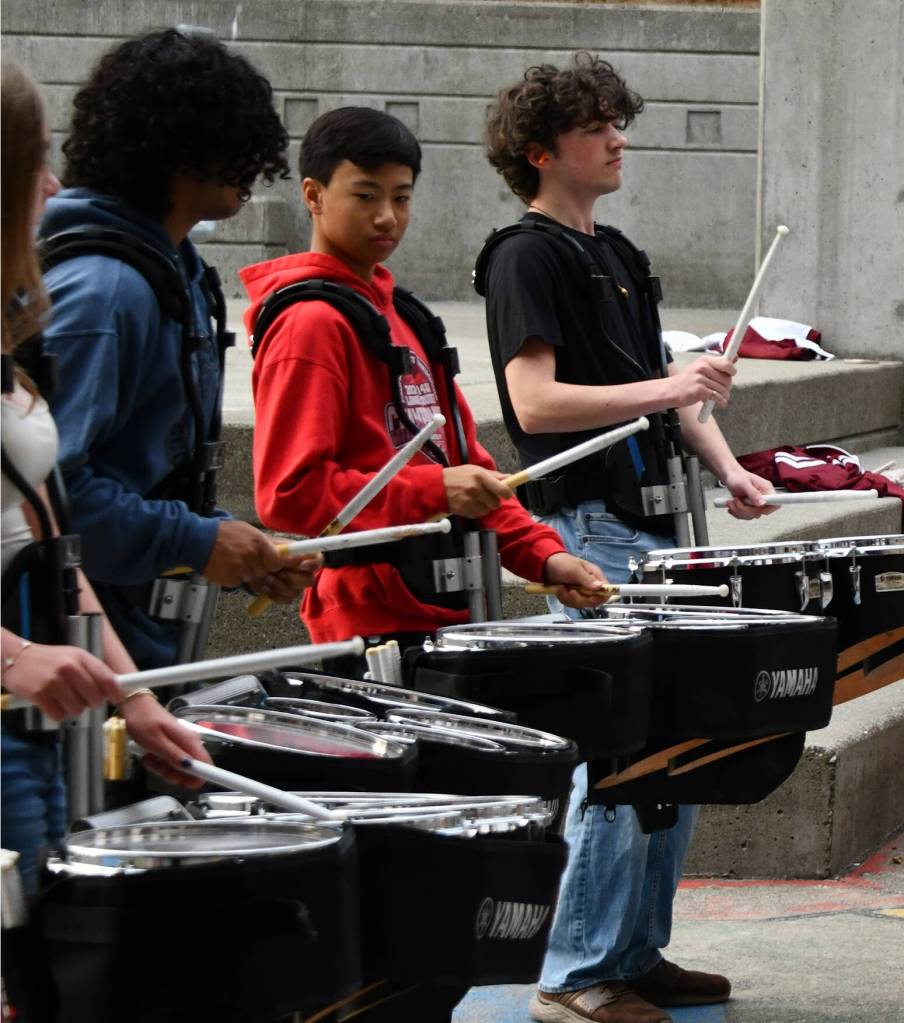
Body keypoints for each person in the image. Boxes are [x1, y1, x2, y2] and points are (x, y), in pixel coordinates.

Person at [479, 55, 777, 1023]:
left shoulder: (619, 255)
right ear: (541, 149)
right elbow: (533, 403)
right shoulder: (524, 255)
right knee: (617, 751)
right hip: (584, 526)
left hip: (649, 523)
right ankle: (572, 973)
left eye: (619, 122)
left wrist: (728, 464)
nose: (619, 140)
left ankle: (634, 949)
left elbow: (668, 395)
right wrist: (670, 388)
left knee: (677, 741)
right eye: (598, 126)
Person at [244, 105, 609, 659]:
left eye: (402, 196)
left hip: (454, 605)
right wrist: (435, 492)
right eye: (365, 196)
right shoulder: (309, 325)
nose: (387, 216)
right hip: (370, 624)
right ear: (314, 196)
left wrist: (543, 555)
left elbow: (468, 466)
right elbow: (290, 496)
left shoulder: (405, 315)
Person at [37, 28, 317, 671]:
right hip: (81, 662)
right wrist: (194, 538)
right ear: (181, 145)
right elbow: (48, 500)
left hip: (137, 645)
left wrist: (229, 545)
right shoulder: (103, 294)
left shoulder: (170, 270)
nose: (255, 162)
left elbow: (141, 475)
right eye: (235, 139)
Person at [1, 58, 210, 897]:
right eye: (32, 163)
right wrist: (14, 655)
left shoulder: (12, 342)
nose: (53, 186)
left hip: (34, 737)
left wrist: (134, 698)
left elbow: (53, 546)